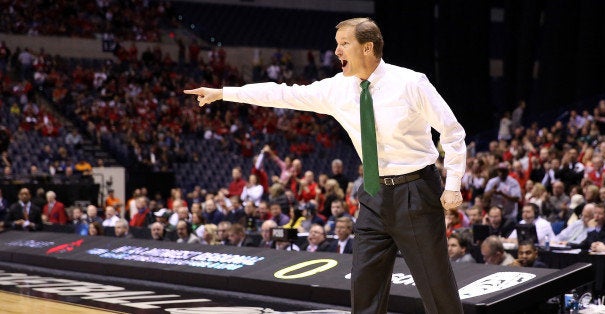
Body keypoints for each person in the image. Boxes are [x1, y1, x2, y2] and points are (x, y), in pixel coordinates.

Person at [185, 17, 465, 313]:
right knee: (364, 287)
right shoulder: (337, 89)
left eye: (344, 44)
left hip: (416, 191)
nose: (337, 51)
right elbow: (283, 93)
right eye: (337, 44)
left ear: (367, 47)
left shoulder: (410, 83)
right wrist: (224, 93)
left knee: (436, 288)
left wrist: (453, 185)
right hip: (373, 193)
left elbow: (452, 132)